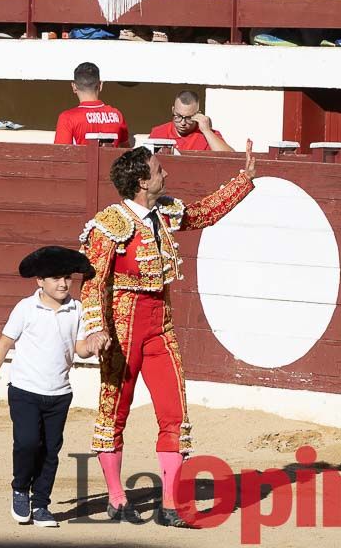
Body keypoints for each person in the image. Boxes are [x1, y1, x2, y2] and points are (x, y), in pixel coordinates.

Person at [79, 143, 256, 526]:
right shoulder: (110, 224)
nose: (166, 175)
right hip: (122, 328)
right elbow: (93, 284)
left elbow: (203, 213)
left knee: (175, 414)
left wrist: (244, 181)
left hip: (161, 324)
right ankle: (116, 498)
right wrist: (96, 329)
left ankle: (171, 505)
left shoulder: (165, 212)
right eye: (159, 170)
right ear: (142, 181)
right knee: (114, 412)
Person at [0, 246, 94, 528]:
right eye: (55, 278)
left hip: (59, 393)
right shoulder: (26, 307)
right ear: (39, 281)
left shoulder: (77, 309)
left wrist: (93, 346)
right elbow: (4, 343)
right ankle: (20, 489)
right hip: (24, 390)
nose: (63, 283)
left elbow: (80, 348)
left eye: (67, 277)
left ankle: (41, 503)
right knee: (28, 443)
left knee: (50, 450)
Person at [54, 61, 129, 145]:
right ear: (100, 85)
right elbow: (126, 152)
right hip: (112, 158)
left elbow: (60, 155)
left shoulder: (67, 118)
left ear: (74, 86)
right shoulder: (117, 115)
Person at [148, 90, 233, 150]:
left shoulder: (207, 135)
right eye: (178, 116)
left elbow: (229, 159)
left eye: (188, 118)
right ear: (173, 110)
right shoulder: (158, 132)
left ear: (198, 114)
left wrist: (207, 131)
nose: (183, 123)